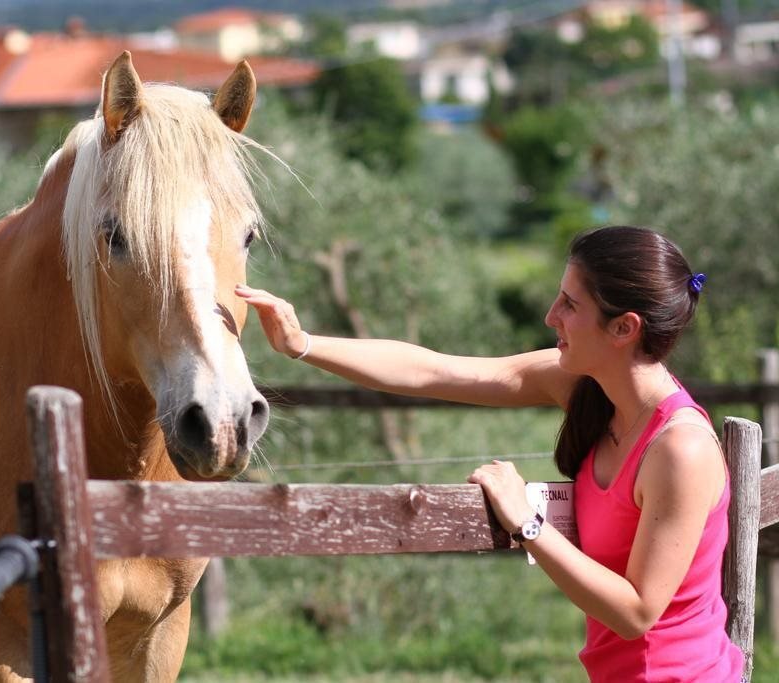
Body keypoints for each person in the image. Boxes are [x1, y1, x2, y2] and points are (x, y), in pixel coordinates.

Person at [235, 225, 744, 682]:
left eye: (570, 304)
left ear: (624, 328)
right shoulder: (588, 386)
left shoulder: (681, 448)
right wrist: (302, 344)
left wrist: (528, 522)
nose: (551, 316)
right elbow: (434, 371)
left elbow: (636, 613)